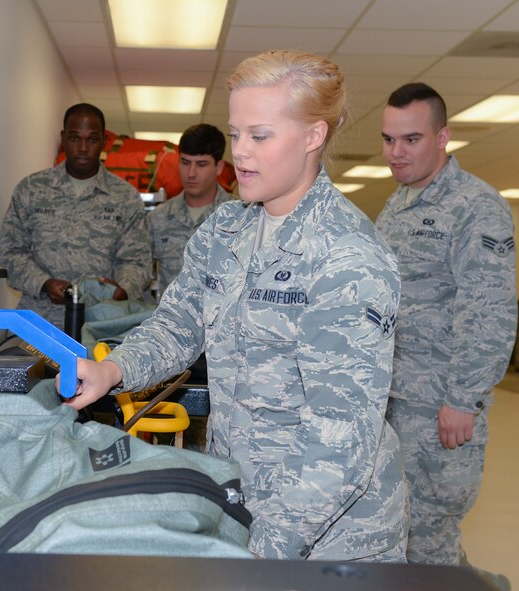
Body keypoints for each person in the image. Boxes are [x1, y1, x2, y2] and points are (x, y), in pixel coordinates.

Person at [61, 50, 407, 562]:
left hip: (328, 536)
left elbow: (338, 437)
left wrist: (266, 551)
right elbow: (178, 324)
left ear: (313, 136)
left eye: (259, 136)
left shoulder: (348, 257)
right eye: (237, 133)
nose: (240, 153)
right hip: (240, 495)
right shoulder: (226, 228)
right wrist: (112, 370)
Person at [376, 84, 516, 580]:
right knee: (401, 534)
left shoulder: (476, 206)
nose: (397, 152)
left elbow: (489, 311)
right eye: (390, 139)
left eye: (411, 139)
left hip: (437, 407)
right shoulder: (396, 204)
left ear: (443, 138)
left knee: (429, 539)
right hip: (394, 401)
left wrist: (463, 399)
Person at [0, 103, 152, 329]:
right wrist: (44, 283)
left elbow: (138, 261)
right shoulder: (32, 189)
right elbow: (10, 253)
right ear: (63, 138)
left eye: (92, 139)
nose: (82, 147)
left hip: (101, 324)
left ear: (103, 142)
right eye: (74, 137)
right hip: (40, 324)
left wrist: (121, 289)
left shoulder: (125, 197)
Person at [147, 124, 234, 299]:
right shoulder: (158, 218)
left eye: (201, 164)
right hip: (170, 322)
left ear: (219, 167)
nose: (191, 173)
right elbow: (142, 274)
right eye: (185, 163)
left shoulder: (239, 217)